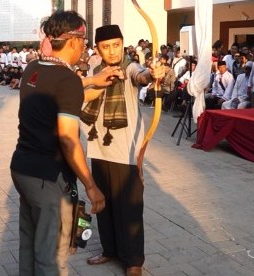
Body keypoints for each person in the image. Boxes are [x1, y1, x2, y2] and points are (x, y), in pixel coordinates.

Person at [9, 11, 106, 276]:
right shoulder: (68, 80)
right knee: (52, 254)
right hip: (48, 178)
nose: (84, 48)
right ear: (74, 41)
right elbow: (67, 139)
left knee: (29, 242)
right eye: (84, 42)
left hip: (22, 169)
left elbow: (59, 92)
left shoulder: (33, 68)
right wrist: (90, 184)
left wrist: (92, 82)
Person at [82, 24, 164, 276]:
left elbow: (141, 76)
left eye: (116, 45)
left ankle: (133, 261)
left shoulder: (129, 67)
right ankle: (109, 250)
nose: (112, 51)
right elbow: (83, 95)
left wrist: (152, 74)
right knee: (103, 205)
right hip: (98, 149)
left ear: (122, 44)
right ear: (98, 49)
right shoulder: (94, 72)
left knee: (129, 208)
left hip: (126, 152)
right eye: (106, 47)